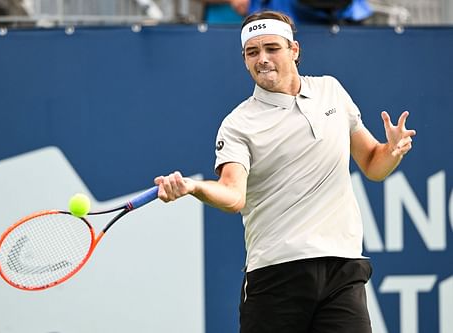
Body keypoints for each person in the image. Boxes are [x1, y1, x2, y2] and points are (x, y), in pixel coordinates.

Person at [154, 10, 416, 333]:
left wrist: (392, 150)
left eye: (271, 48)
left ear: (294, 50)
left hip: (342, 271)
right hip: (275, 276)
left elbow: (373, 164)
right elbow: (233, 194)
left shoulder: (331, 92)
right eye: (252, 52)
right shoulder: (237, 125)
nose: (262, 59)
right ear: (245, 59)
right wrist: (194, 188)